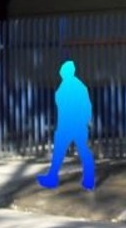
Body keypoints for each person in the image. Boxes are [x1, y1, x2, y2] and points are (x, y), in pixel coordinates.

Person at [37, 60, 96, 191]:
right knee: (82, 151)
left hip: (67, 125)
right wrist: (86, 121)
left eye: (63, 71)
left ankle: (52, 178)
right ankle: (89, 180)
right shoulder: (80, 86)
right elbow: (87, 106)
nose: (61, 72)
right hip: (77, 125)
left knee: (60, 152)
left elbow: (65, 104)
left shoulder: (67, 86)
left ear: (67, 72)